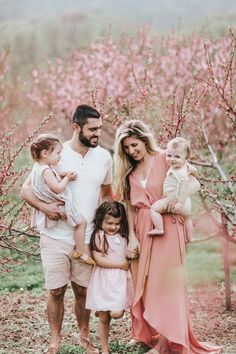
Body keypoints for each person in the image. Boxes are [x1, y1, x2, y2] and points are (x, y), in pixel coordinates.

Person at [114, 120, 221, 354]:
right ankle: (146, 333)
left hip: (168, 226)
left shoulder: (165, 157)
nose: (132, 151)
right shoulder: (129, 172)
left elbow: (192, 180)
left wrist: (179, 202)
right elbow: (130, 208)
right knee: (144, 282)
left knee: (165, 284)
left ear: (144, 139)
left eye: (134, 145)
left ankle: (166, 341)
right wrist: (131, 237)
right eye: (127, 148)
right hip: (143, 227)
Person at [21, 105, 113, 354]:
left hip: (87, 235)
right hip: (54, 235)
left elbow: (106, 193)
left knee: (82, 290)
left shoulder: (104, 157)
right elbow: (26, 190)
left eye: (100, 129)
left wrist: (105, 229)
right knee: (56, 290)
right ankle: (55, 341)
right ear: (76, 127)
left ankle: (85, 338)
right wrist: (45, 208)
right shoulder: (54, 153)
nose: (97, 134)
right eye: (92, 130)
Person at [30, 133, 95, 265]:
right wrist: (67, 178)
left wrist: (60, 174)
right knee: (82, 222)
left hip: (52, 204)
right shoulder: (46, 170)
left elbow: (47, 181)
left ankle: (79, 251)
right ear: (45, 153)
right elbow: (57, 188)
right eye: (58, 153)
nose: (60, 156)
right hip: (59, 205)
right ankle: (81, 251)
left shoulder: (39, 168)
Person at [86, 201, 134, 354]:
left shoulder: (124, 236)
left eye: (117, 223)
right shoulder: (99, 236)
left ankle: (103, 309)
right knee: (105, 318)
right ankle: (105, 349)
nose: (113, 227)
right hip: (104, 280)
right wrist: (121, 264)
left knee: (116, 313)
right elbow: (99, 260)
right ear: (101, 220)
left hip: (120, 281)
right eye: (109, 223)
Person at [148, 136, 197, 242]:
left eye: (177, 157)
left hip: (176, 201)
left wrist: (180, 202)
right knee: (187, 218)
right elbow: (194, 169)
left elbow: (184, 187)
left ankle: (159, 228)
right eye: (169, 155)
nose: (172, 159)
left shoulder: (180, 172)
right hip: (187, 202)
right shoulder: (186, 166)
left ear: (186, 157)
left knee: (154, 209)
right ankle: (190, 237)